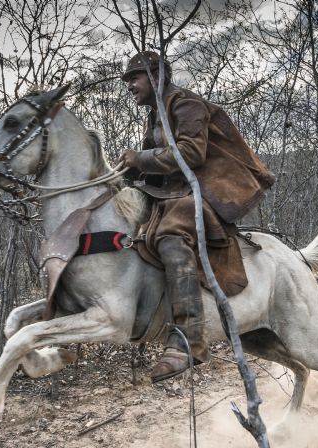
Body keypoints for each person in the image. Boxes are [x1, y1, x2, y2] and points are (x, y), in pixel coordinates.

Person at [117, 51, 275, 383]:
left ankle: (189, 339)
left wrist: (140, 157)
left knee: (171, 237)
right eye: (127, 79)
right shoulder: (155, 116)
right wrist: (125, 174)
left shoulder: (186, 104)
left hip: (204, 191)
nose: (129, 85)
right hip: (173, 192)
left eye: (135, 77)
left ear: (156, 74)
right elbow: (157, 170)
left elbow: (191, 153)